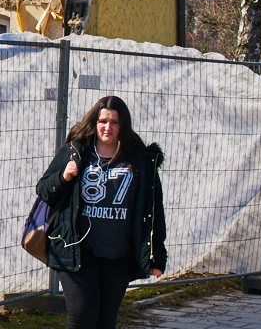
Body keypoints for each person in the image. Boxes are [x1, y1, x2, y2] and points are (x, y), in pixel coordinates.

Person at [36, 96, 167, 329]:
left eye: (114, 122)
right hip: (77, 249)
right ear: (95, 122)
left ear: (123, 125)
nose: (108, 127)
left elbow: (154, 208)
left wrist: (157, 254)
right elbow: (44, 190)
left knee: (105, 321)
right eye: (103, 121)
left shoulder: (141, 161)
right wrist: (63, 177)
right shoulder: (76, 151)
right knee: (82, 316)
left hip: (119, 254)